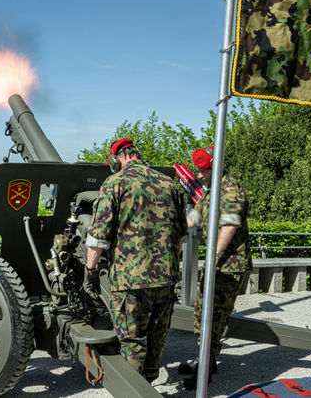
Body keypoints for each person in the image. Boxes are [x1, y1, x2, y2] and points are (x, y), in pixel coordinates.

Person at [84, 138, 187, 383]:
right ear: (136, 155)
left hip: (131, 281)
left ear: (115, 159)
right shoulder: (169, 184)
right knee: (156, 336)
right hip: (166, 278)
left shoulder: (114, 183)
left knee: (132, 341)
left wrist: (90, 271)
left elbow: (98, 237)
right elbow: (181, 235)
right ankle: (149, 384)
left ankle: (134, 390)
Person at [179, 146, 251, 390]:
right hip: (216, 265)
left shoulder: (230, 188)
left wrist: (214, 256)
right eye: (198, 170)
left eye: (203, 170)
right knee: (202, 314)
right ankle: (205, 360)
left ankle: (205, 369)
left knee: (214, 317)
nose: (199, 175)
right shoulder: (212, 192)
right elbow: (194, 219)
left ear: (215, 166)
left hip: (228, 266)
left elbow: (230, 226)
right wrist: (169, 228)